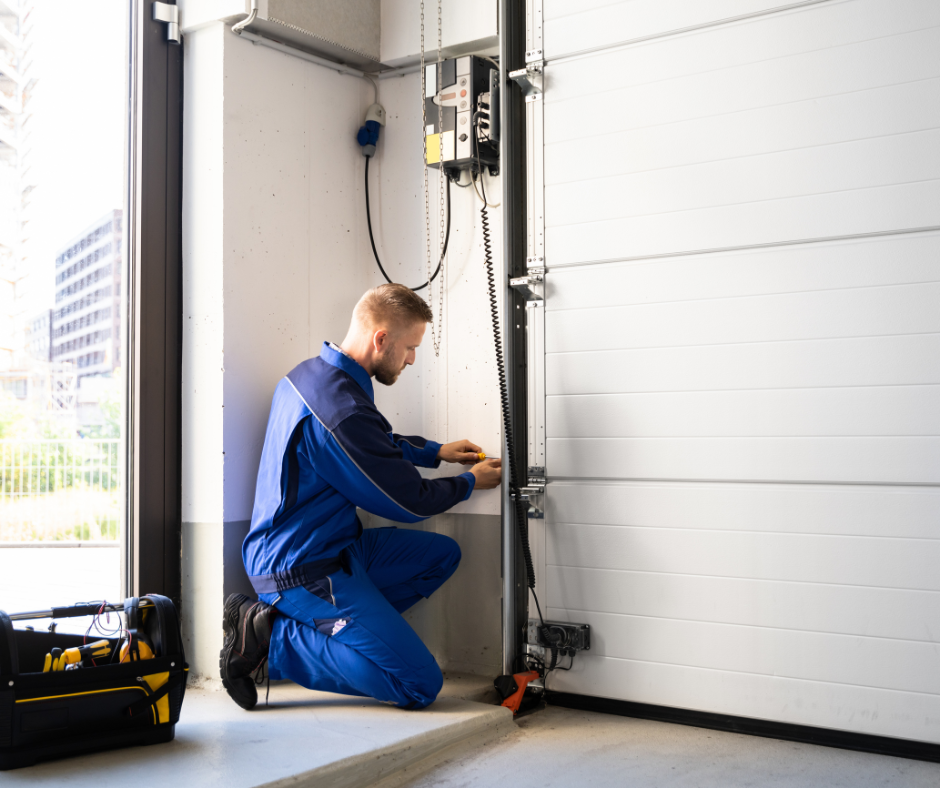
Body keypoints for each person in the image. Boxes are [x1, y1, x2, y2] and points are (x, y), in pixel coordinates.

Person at [219, 283, 502, 711]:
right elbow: (409, 502)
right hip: (299, 569)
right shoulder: (339, 410)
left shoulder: (311, 376)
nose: (410, 359)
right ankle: (271, 640)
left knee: (441, 556)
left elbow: (372, 443)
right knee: (419, 684)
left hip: (338, 547)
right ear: (381, 339)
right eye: (409, 347)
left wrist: (435, 452)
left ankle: (347, 635)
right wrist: (468, 483)